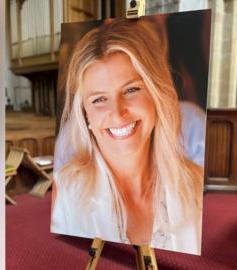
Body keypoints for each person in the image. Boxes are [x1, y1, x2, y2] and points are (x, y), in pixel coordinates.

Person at [51, 18, 203, 255]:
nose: (118, 113)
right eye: (99, 99)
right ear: (85, 114)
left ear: (156, 94)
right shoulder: (65, 191)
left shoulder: (197, 183)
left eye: (131, 90)